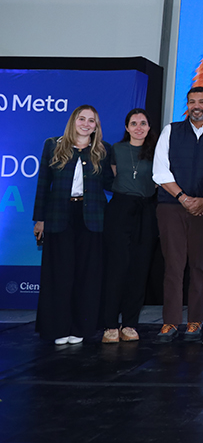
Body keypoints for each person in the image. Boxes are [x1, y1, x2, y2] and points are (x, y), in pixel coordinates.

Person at [152, 86, 203, 343]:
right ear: (187, 105)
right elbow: (160, 171)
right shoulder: (171, 131)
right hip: (171, 206)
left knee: (200, 265)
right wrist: (183, 198)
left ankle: (195, 321)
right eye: (192, 102)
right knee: (173, 265)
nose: (196, 106)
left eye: (201, 101)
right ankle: (170, 322)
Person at [32, 105, 113, 344]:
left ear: (96, 126)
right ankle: (58, 328)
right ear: (73, 121)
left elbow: (110, 183)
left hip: (92, 219)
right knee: (60, 274)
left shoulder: (103, 150)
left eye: (91, 121)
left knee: (87, 275)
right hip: (59, 216)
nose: (86, 124)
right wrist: (40, 219)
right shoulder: (53, 145)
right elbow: (43, 183)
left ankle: (81, 328)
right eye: (82, 119)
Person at [101, 109, 159, 344]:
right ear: (126, 127)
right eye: (134, 123)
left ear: (149, 127)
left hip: (146, 211)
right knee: (117, 268)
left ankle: (130, 324)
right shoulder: (116, 149)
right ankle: (110, 324)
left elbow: (159, 181)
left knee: (139, 268)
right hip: (120, 210)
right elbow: (111, 177)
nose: (138, 127)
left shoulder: (156, 151)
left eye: (143, 123)